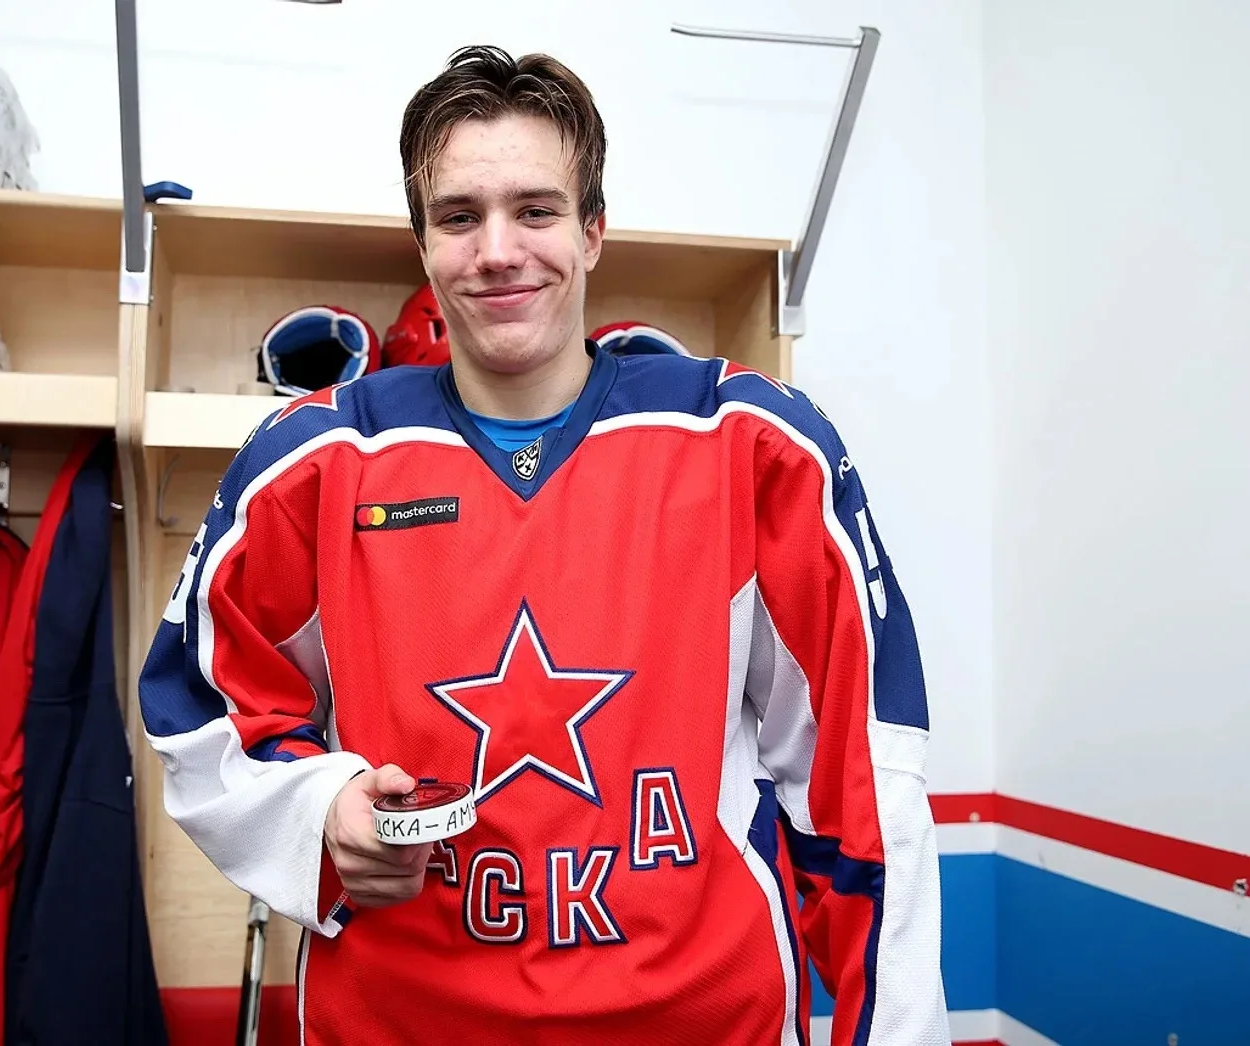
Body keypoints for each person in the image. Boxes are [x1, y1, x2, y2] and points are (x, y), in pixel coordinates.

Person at [138, 44, 950, 1046]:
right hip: (401, 1021)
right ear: (422, 245)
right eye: (457, 217)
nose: (496, 250)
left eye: (534, 210)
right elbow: (199, 712)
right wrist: (320, 807)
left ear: (592, 231)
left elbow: (862, 782)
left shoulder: (752, 443)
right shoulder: (311, 461)